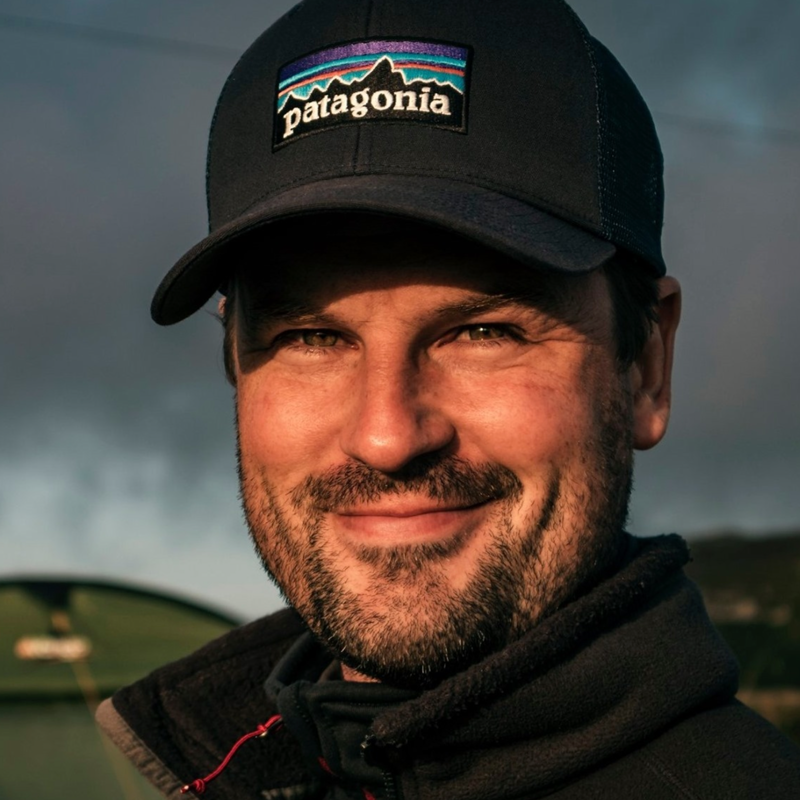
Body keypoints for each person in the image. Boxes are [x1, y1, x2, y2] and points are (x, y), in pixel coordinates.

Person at [97, 0, 800, 797]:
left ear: (646, 365)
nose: (388, 436)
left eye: (484, 332)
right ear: (234, 363)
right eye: (311, 338)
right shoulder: (227, 763)